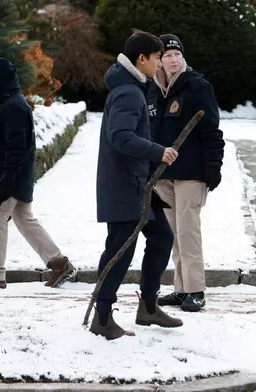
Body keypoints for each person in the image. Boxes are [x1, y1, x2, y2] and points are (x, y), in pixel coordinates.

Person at [91, 30, 183, 341]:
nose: (159, 64)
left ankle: (148, 306)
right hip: (125, 185)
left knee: (160, 237)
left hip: (137, 184)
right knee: (119, 250)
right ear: (141, 59)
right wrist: (158, 151)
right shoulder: (128, 92)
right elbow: (121, 137)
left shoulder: (129, 87)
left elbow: (130, 134)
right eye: (157, 58)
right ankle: (102, 317)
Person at [0, 58, 76, 291]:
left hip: (9, 179)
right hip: (15, 178)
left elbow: (16, 149)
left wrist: (6, 183)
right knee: (24, 220)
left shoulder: (13, 107)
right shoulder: (10, 104)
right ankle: (59, 263)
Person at [148, 34, 224, 312]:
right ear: (158, 59)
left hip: (191, 173)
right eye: (167, 55)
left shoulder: (197, 87)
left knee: (188, 231)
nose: (172, 60)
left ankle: (196, 290)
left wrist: (213, 166)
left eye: (176, 55)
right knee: (173, 234)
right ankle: (181, 289)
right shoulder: (153, 90)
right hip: (163, 176)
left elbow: (212, 130)